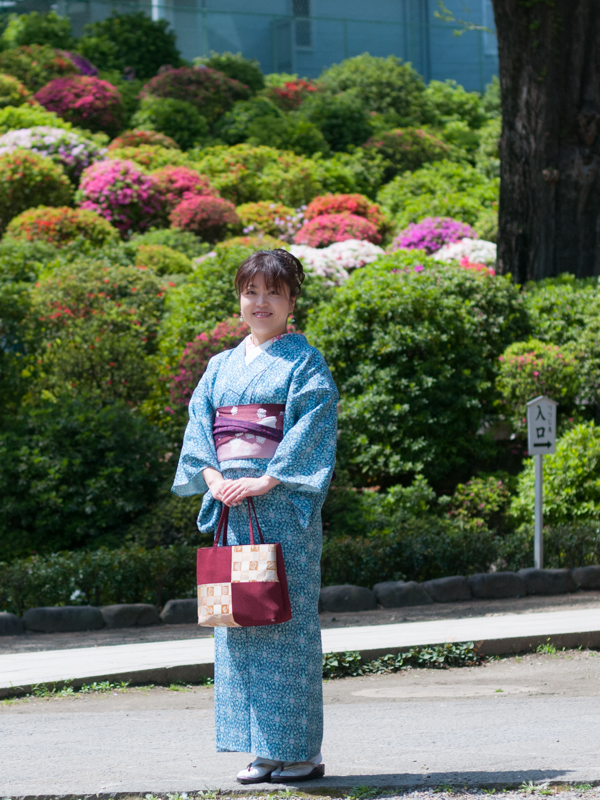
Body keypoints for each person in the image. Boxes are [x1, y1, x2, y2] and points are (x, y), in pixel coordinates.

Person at [172, 248, 338, 784]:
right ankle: (260, 750)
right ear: (239, 299)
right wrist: (214, 478)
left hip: (280, 509)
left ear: (292, 301)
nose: (260, 302)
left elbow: (312, 426)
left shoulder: (305, 363)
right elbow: (201, 427)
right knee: (238, 620)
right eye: (251, 291)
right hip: (231, 509)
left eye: (273, 292)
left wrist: (270, 477)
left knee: (283, 624)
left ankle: (300, 753)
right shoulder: (220, 366)